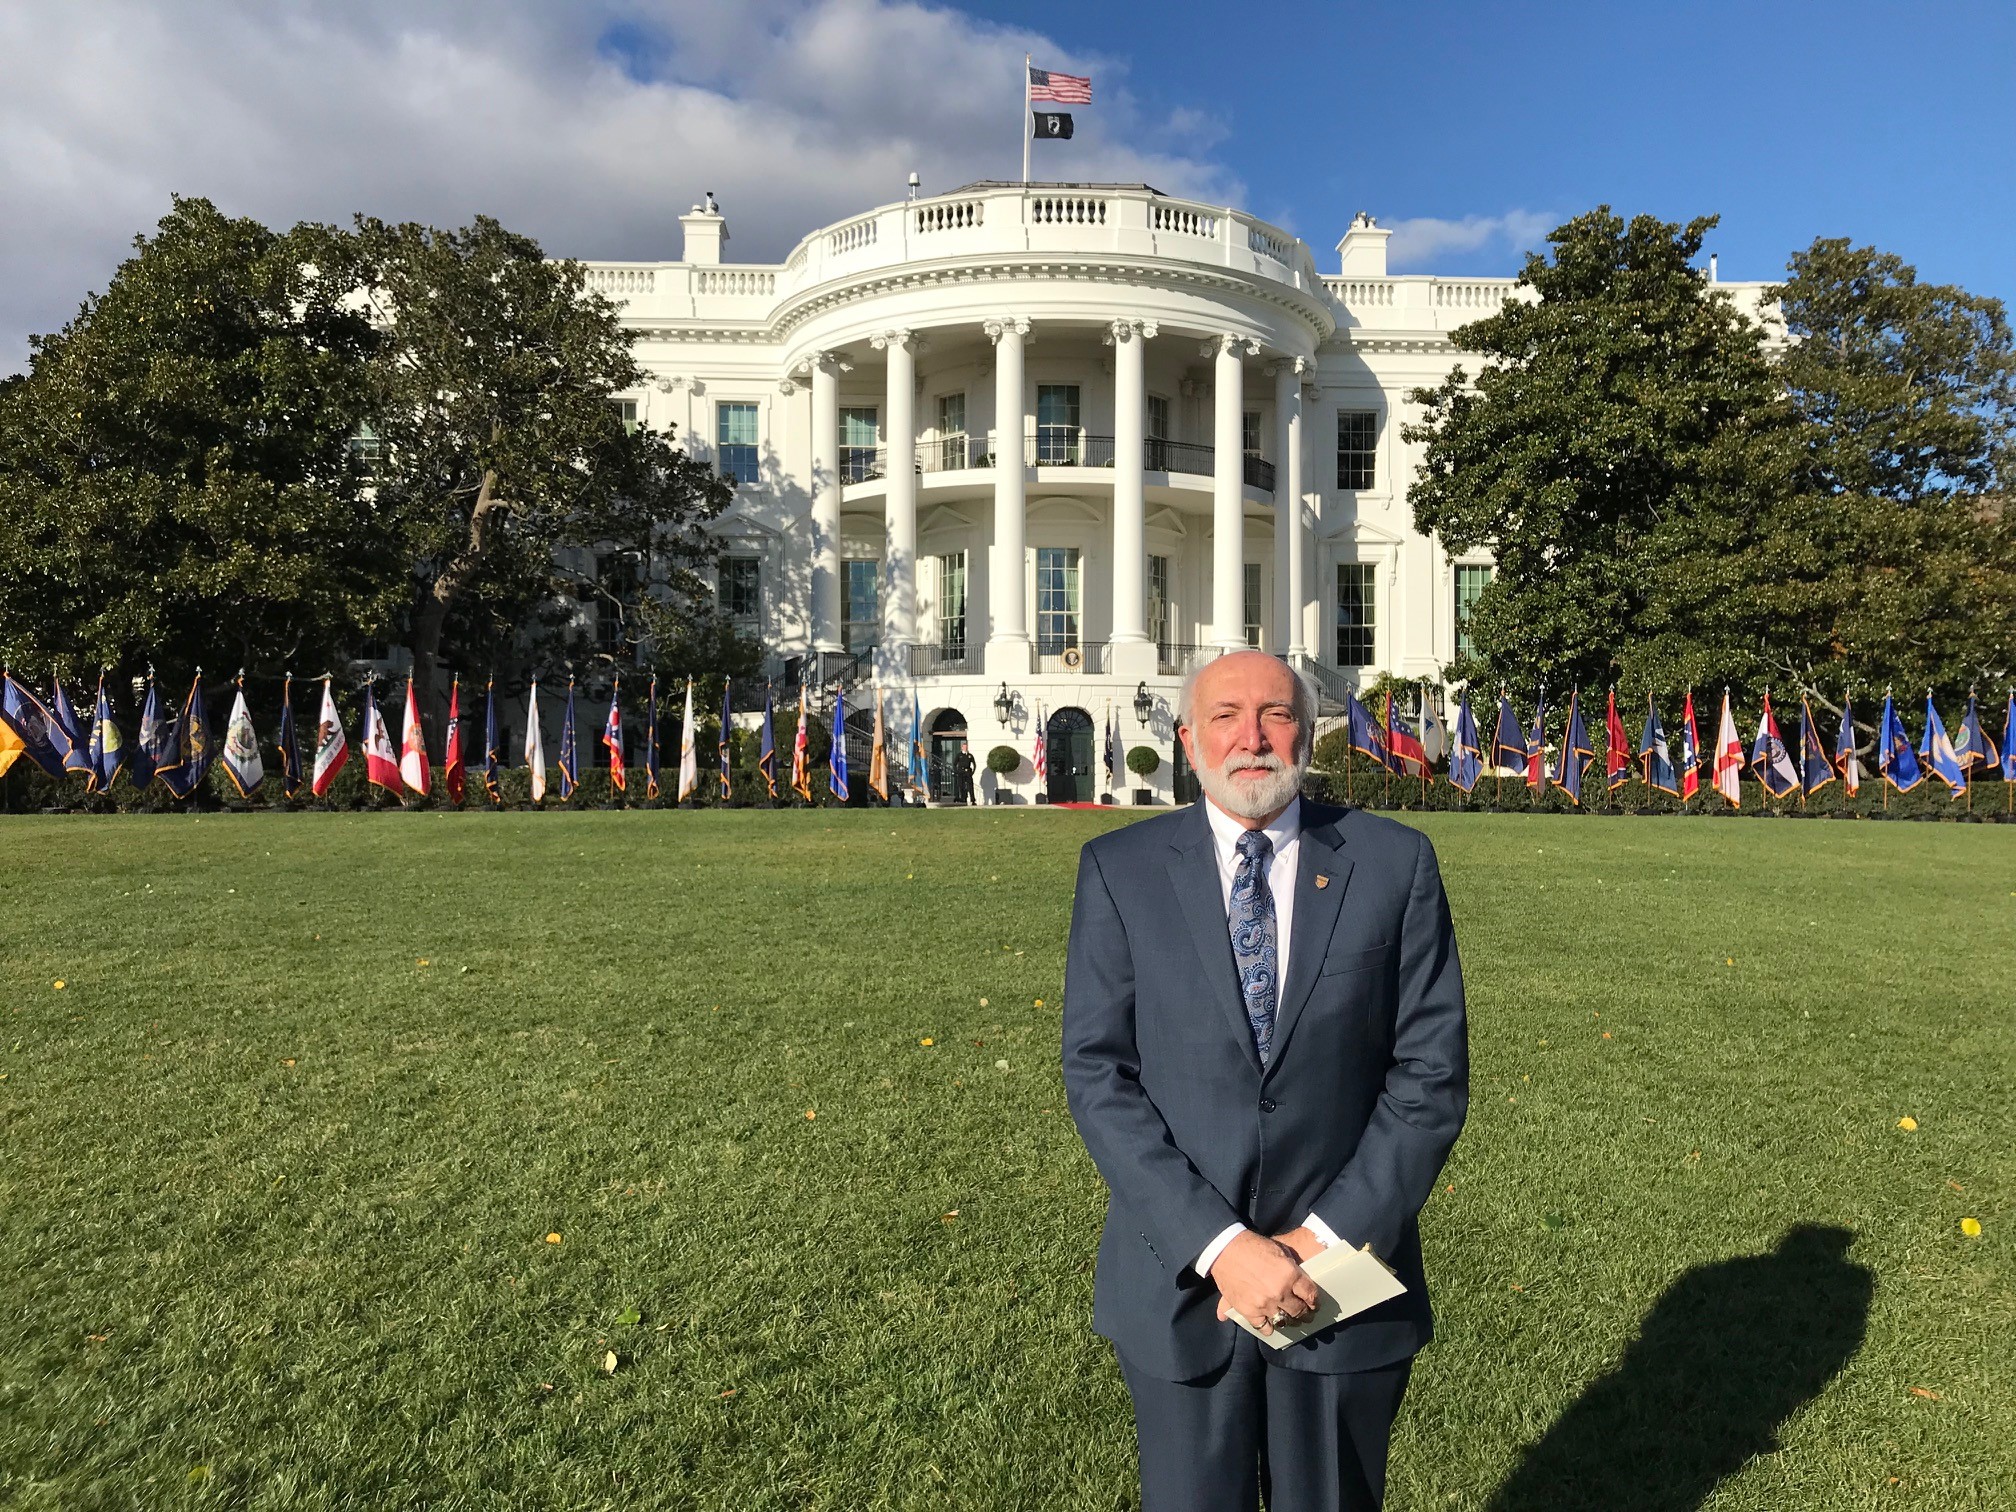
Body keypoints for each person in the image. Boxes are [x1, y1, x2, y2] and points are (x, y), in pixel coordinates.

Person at [1062, 650, 1468, 1511]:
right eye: (1226, 715)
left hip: (1342, 1284)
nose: (1252, 737)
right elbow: (1100, 1074)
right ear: (1187, 737)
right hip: (1180, 1284)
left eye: (1277, 714)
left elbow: (1429, 1072)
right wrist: (1222, 1247)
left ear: (1306, 730)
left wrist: (1322, 1237)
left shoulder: (1393, 864)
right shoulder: (1120, 870)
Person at [953, 741, 977, 805]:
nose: (965, 748)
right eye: (964, 747)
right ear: (962, 747)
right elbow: (954, 764)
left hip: (968, 772)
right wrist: (957, 771)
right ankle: (963, 798)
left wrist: (972, 772)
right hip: (961, 772)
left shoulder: (970, 755)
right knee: (961, 786)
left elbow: (974, 764)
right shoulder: (959, 755)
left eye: (966, 747)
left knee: (970, 786)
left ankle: (973, 799)